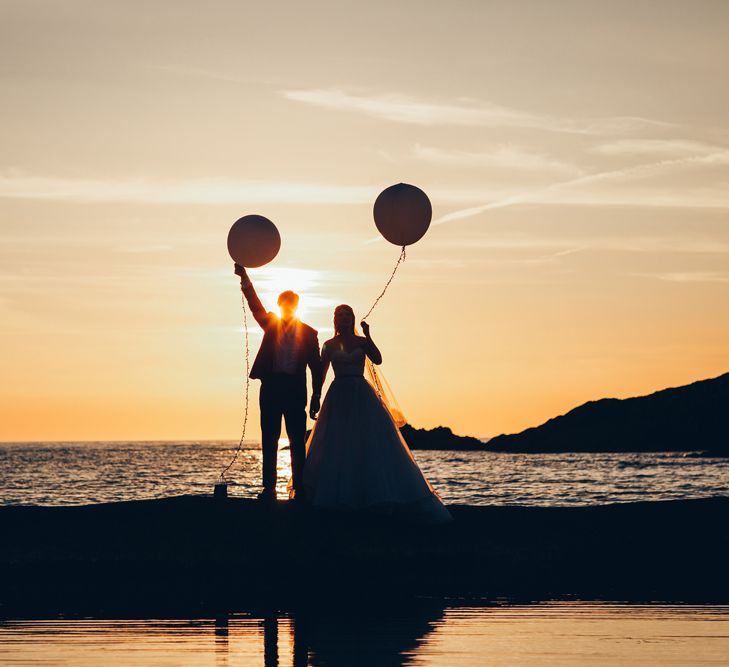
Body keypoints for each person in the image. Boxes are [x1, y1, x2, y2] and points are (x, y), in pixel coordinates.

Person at [303, 304, 452, 523]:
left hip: (361, 394)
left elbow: (378, 358)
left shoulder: (362, 343)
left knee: (368, 443)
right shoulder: (328, 345)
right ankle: (338, 498)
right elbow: (321, 374)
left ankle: (373, 497)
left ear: (352, 318)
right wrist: (315, 398)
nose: (343, 318)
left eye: (347, 315)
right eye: (339, 315)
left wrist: (368, 334)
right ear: (334, 319)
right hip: (338, 395)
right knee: (338, 444)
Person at [235, 264, 323, 501]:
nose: (286, 307)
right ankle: (269, 488)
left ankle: (301, 489)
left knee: (296, 440)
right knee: (269, 438)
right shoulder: (270, 324)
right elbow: (255, 307)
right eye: (283, 304)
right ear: (279, 306)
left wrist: (316, 395)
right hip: (271, 389)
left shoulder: (309, 333)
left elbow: (316, 367)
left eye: (290, 304)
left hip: (295, 391)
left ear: (295, 306)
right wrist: (245, 278)